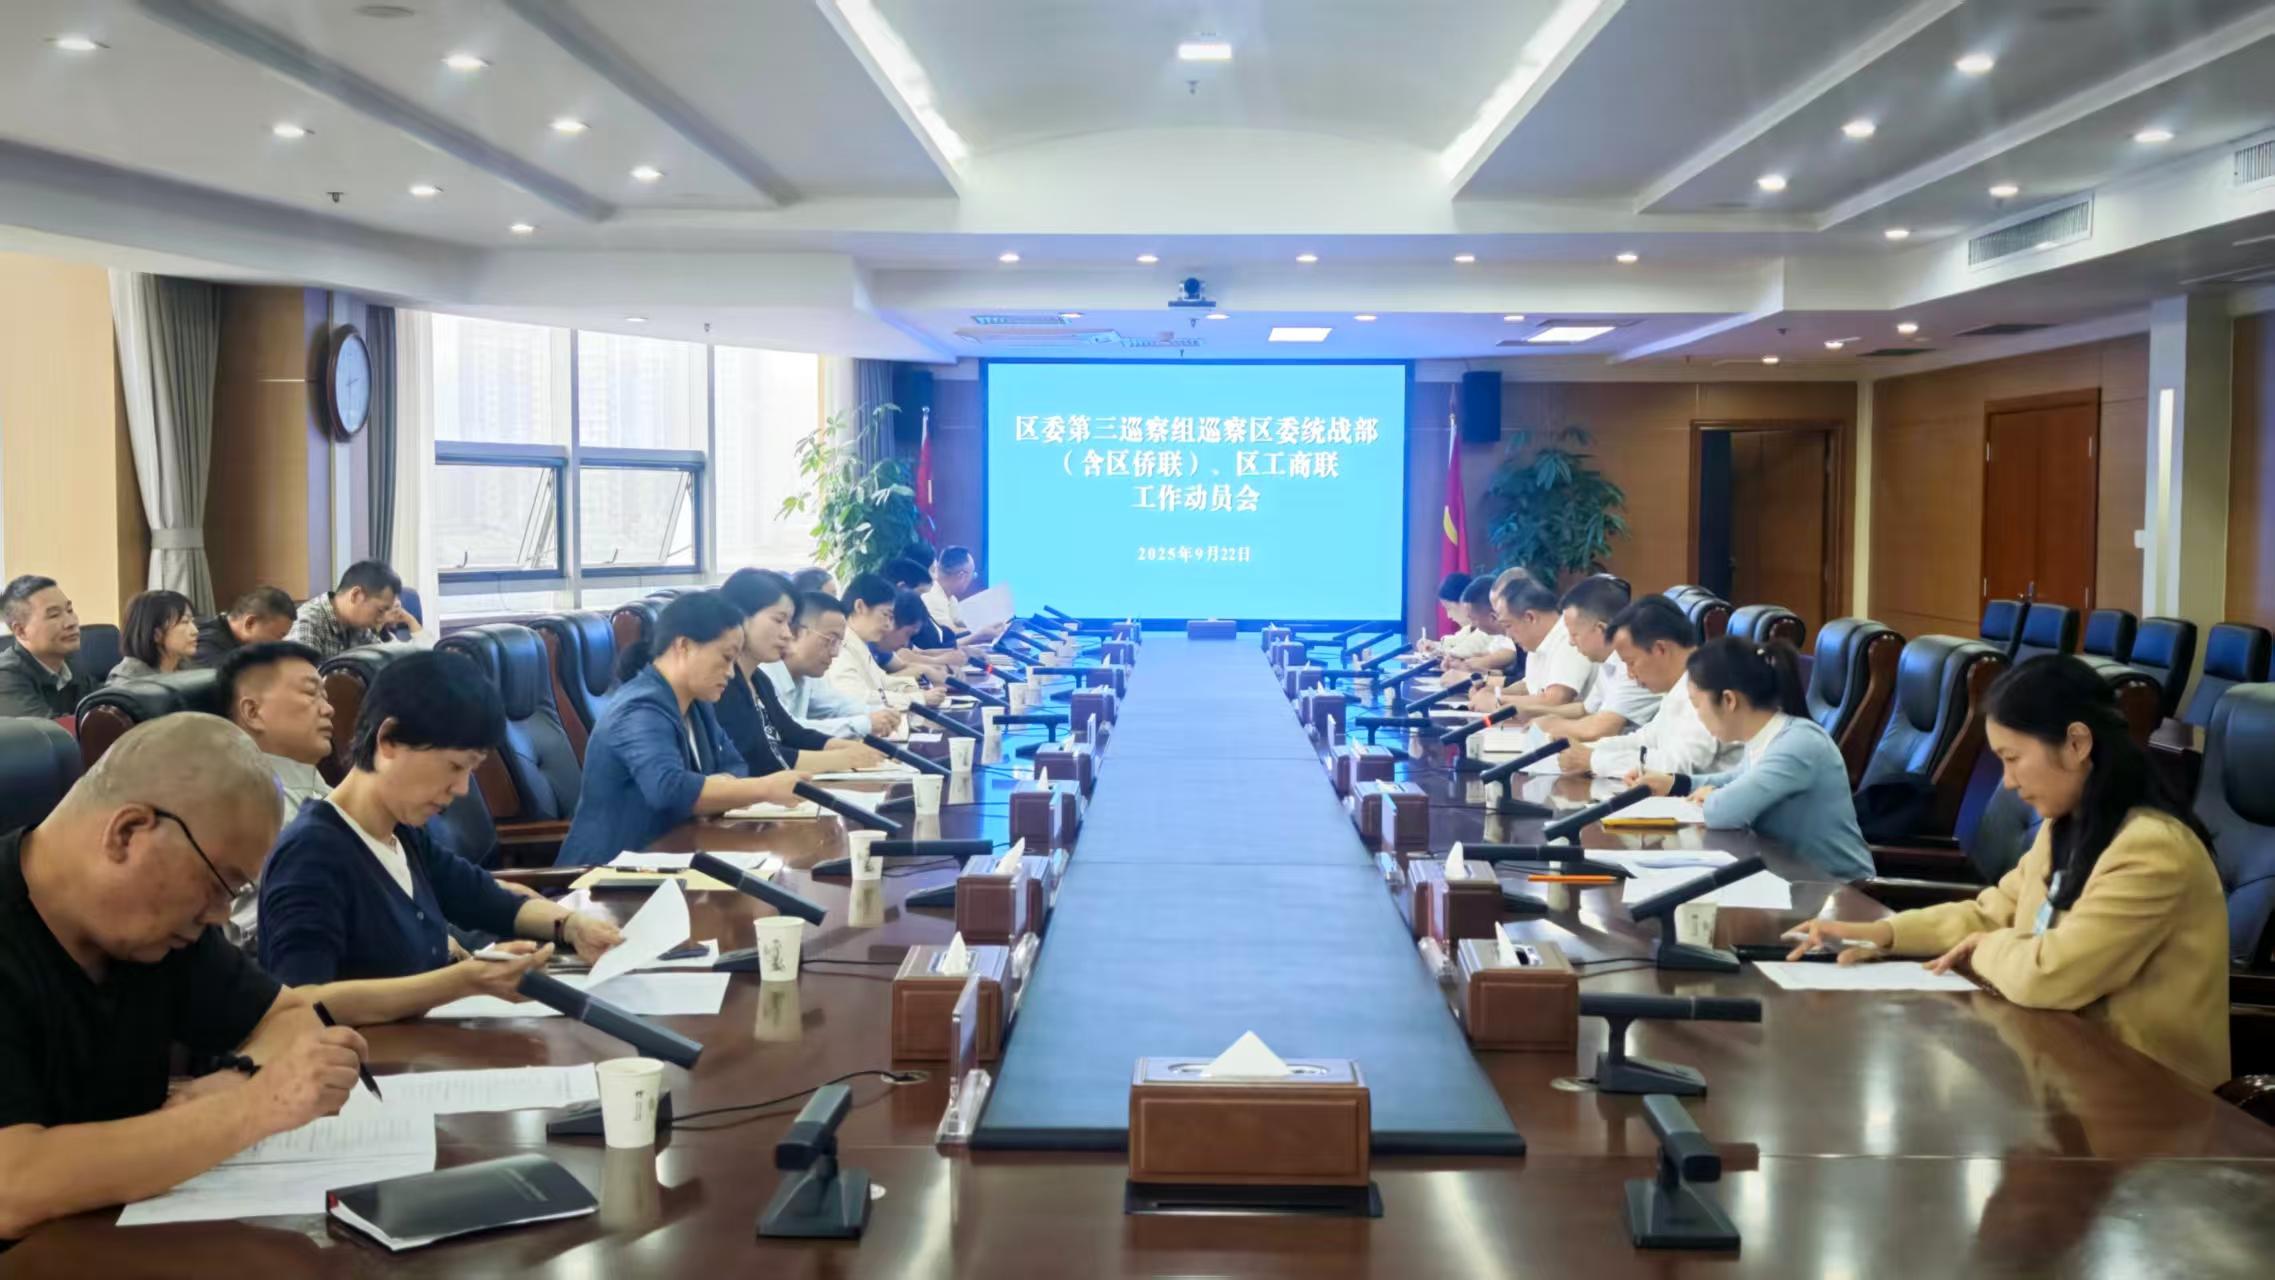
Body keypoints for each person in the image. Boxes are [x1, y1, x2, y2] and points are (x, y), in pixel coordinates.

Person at [0, 713, 372, 1240]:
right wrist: (252, 1108)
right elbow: (13, 1187)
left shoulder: (157, 931)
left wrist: (241, 1076)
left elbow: (289, 1016)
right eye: (220, 885)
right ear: (128, 832)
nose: (219, 916)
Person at [1788, 656, 2230, 1089]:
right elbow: (1992, 912)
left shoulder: (2152, 849)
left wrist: (1985, 948)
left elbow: (2050, 975)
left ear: (2077, 743)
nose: (2009, 781)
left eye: (2012, 758)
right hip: (2061, 1061)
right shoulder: (2068, 824)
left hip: (2147, 1096)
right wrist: (1883, 934)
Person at [259, 650, 622, 1017]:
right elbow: (301, 1003)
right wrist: (462, 981)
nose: (461, 788)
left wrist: (572, 926)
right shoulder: (311, 854)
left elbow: (487, 899)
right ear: (389, 741)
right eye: (454, 767)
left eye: (470, 771)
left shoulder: (401, 834)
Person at [557, 591, 808, 867]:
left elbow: (735, 764)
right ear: (684, 646)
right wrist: (764, 789)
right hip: (606, 871)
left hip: (673, 857)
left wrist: (716, 786)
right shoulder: (640, 708)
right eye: (726, 658)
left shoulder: (698, 704)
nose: (730, 672)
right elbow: (668, 789)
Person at [1628, 636, 1873, 882]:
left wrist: (1714, 795)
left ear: (1729, 700)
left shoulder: (1799, 744)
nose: (1698, 716)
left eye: (1697, 705)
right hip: (1788, 876)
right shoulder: (1766, 736)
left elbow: (1723, 813)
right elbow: (1739, 779)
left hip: (1837, 888)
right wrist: (1674, 783)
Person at [715, 569, 883, 775]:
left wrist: (852, 748)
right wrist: (843, 758)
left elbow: (793, 734)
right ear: (740, 616)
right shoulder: (723, 683)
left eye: (789, 623)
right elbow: (756, 757)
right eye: (779, 620)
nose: (787, 634)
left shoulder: (758, 679)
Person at [1558, 595, 1739, 778]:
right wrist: (1587, 750)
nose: (1630, 674)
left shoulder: (1707, 684)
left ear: (1660, 649)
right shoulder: (1681, 684)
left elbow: (1678, 766)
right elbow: (1647, 739)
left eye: (1631, 662)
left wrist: (1595, 760)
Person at [1524, 576, 1661, 741]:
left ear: (1600, 629)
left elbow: (1599, 729)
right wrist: (1533, 712)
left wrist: (1551, 725)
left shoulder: (1635, 665)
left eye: (1575, 634)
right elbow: (1586, 710)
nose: (1571, 642)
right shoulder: (1608, 660)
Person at [218, 641, 336, 824]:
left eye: (325, 697)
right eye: (311, 693)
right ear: (253, 713)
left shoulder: (312, 785)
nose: (328, 709)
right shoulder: (259, 815)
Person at [766, 591, 900, 740]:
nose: (835, 653)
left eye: (838, 643)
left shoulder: (807, 675)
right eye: (830, 640)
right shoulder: (765, 676)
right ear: (795, 633)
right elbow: (788, 729)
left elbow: (837, 706)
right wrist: (866, 724)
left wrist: (881, 713)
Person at [828, 574, 943, 707]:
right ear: (860, 607)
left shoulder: (859, 644)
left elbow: (882, 681)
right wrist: (916, 698)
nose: (888, 625)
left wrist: (910, 690)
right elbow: (856, 697)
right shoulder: (839, 648)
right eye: (885, 615)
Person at [1488, 577, 1595, 715]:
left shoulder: (1569, 637)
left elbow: (1555, 700)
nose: (1508, 635)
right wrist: (1494, 691)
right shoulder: (1537, 641)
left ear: (1530, 617)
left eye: (1508, 625)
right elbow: (1528, 686)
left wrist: (1498, 700)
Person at [0, 575, 91, 721]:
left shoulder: (69, 664)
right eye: (54, 615)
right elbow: (51, 731)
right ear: (21, 631)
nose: (71, 622)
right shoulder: (5, 678)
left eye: (69, 610)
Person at [287, 560, 421, 659]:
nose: (381, 619)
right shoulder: (307, 621)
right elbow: (303, 683)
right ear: (356, 595)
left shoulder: (358, 626)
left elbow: (387, 658)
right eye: (380, 610)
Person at [191, 586, 297, 669]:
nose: (279, 644)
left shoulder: (235, 641)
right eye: (278, 636)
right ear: (250, 623)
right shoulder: (205, 643)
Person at [108, 590, 199, 682]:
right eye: (184, 621)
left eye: (192, 621)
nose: (195, 631)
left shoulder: (188, 669)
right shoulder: (128, 680)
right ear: (156, 634)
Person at [924, 546, 1005, 642]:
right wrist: (982, 632)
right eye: (973, 575)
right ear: (961, 576)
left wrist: (991, 625)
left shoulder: (950, 597)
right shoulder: (932, 596)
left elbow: (962, 622)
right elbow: (951, 633)